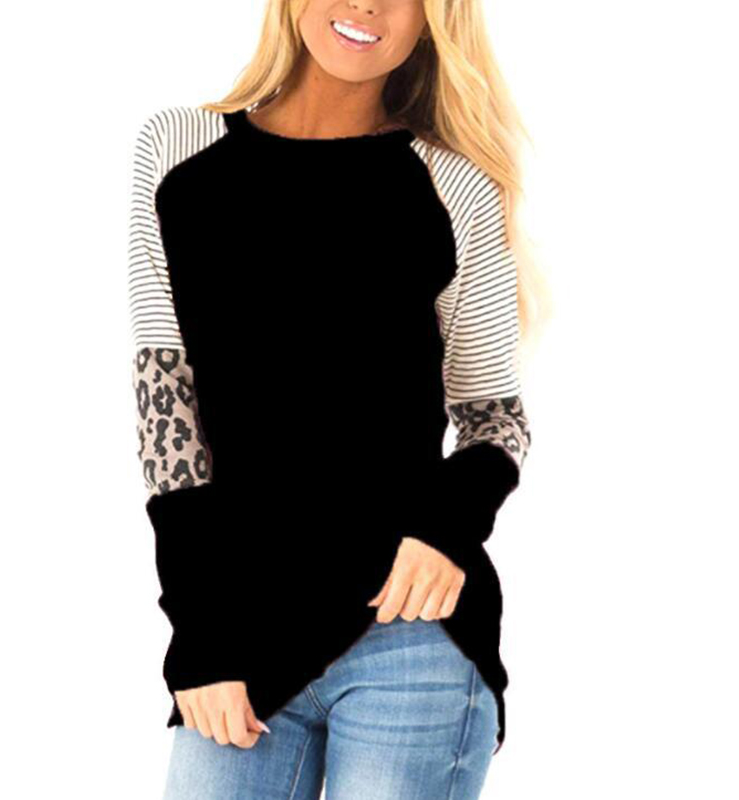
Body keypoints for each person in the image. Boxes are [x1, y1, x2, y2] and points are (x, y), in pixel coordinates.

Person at [127, 1, 536, 796]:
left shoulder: (454, 183)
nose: (365, 3)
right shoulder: (178, 148)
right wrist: (201, 635)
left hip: (411, 636)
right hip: (242, 636)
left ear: (433, 19)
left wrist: (445, 529)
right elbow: (166, 414)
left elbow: (494, 418)